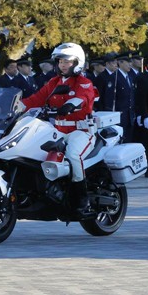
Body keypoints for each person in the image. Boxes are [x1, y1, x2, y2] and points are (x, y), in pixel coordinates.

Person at [22, 43, 98, 213]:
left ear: (77, 62)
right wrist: (15, 106)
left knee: (73, 155)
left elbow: (83, 97)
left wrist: (70, 105)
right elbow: (36, 99)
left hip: (80, 131)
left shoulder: (84, 82)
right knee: (34, 151)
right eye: (60, 61)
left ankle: (82, 198)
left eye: (67, 61)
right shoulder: (53, 82)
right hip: (57, 130)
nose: (63, 65)